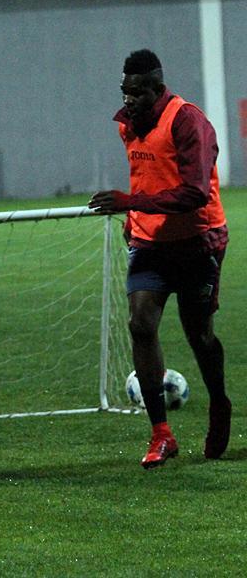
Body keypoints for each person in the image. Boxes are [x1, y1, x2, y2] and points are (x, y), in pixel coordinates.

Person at [89, 49, 229, 469]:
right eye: (124, 91)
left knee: (198, 334)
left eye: (136, 93)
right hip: (151, 243)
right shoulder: (127, 124)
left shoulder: (188, 122)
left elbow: (194, 193)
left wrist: (131, 203)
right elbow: (146, 178)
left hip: (197, 241)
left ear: (156, 88)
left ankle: (219, 403)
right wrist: (135, 218)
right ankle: (161, 433)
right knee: (140, 323)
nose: (128, 100)